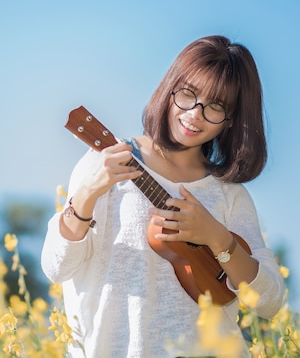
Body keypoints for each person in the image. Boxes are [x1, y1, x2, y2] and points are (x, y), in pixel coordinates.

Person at [41, 35, 285, 357]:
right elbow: (56, 268)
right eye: (188, 94)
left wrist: (217, 237)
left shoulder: (229, 196)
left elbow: (271, 301)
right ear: (170, 89)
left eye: (215, 107)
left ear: (230, 122)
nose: (195, 114)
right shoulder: (107, 163)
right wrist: (86, 195)